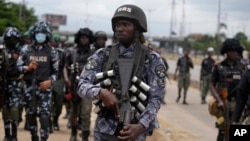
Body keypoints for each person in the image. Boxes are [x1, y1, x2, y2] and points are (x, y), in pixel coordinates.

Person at [77, 4, 166, 141]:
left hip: (134, 131)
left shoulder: (152, 59)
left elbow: (156, 98)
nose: (120, 29)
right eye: (118, 25)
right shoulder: (102, 55)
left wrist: (141, 126)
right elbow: (82, 85)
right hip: (105, 130)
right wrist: (101, 92)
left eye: (125, 25)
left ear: (137, 29)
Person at [19, 21, 59, 141]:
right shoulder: (26, 49)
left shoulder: (52, 51)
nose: (40, 36)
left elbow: (57, 72)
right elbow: (18, 67)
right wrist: (27, 67)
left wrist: (50, 82)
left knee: (44, 116)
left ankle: (43, 138)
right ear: (34, 34)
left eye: (43, 33)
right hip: (29, 86)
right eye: (38, 33)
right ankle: (34, 136)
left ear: (47, 35)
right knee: (30, 114)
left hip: (44, 88)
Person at [209, 38, 244, 141]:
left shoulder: (243, 67)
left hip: (238, 104)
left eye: (235, 51)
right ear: (226, 52)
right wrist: (218, 100)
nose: (234, 53)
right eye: (231, 51)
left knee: (239, 131)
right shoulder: (218, 67)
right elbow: (211, 84)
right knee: (223, 130)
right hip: (224, 104)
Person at [63, 27, 95, 141]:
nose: (84, 40)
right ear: (78, 38)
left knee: (86, 113)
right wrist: (67, 80)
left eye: (86, 38)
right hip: (74, 85)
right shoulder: (72, 52)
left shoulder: (93, 53)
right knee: (73, 112)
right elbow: (65, 67)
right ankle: (73, 133)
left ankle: (85, 136)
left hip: (88, 87)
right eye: (82, 37)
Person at [1, 27, 23, 141]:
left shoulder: (21, 51)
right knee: (5, 109)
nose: (11, 40)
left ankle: (14, 135)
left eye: (13, 38)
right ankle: (6, 134)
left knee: (14, 109)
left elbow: (23, 67)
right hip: (4, 83)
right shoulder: (2, 51)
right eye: (9, 38)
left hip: (16, 82)